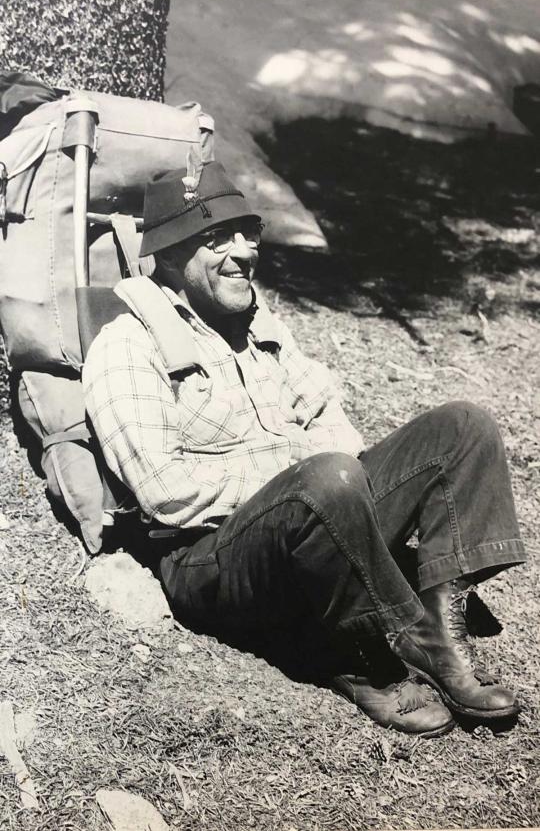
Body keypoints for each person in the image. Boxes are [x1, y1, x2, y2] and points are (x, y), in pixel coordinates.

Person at [83, 161, 526, 738]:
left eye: (248, 233)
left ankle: (437, 625)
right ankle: (363, 650)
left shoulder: (259, 323)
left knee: (464, 428)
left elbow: (340, 434)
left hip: (315, 513)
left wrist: (308, 472)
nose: (244, 252)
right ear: (168, 256)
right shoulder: (127, 344)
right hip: (212, 560)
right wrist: (294, 471)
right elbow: (169, 494)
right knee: (328, 480)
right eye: (216, 237)